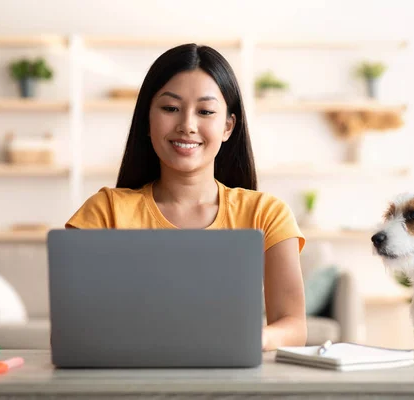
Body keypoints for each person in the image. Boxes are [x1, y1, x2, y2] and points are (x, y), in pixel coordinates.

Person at [65, 43, 307, 351]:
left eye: (205, 111)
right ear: (148, 121)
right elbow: (74, 328)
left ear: (228, 126)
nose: (187, 126)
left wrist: (248, 339)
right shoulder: (104, 212)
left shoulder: (267, 214)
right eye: (170, 109)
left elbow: (294, 327)